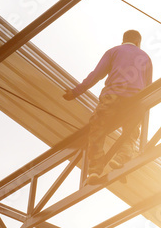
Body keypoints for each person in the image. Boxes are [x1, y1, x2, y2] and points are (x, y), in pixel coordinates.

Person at [63, 30, 152, 184]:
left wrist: (75, 92)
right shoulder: (145, 57)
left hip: (113, 96)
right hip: (135, 100)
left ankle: (95, 170)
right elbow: (149, 87)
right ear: (138, 43)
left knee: (97, 128)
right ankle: (121, 158)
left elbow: (95, 75)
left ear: (123, 40)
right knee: (130, 133)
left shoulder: (114, 51)